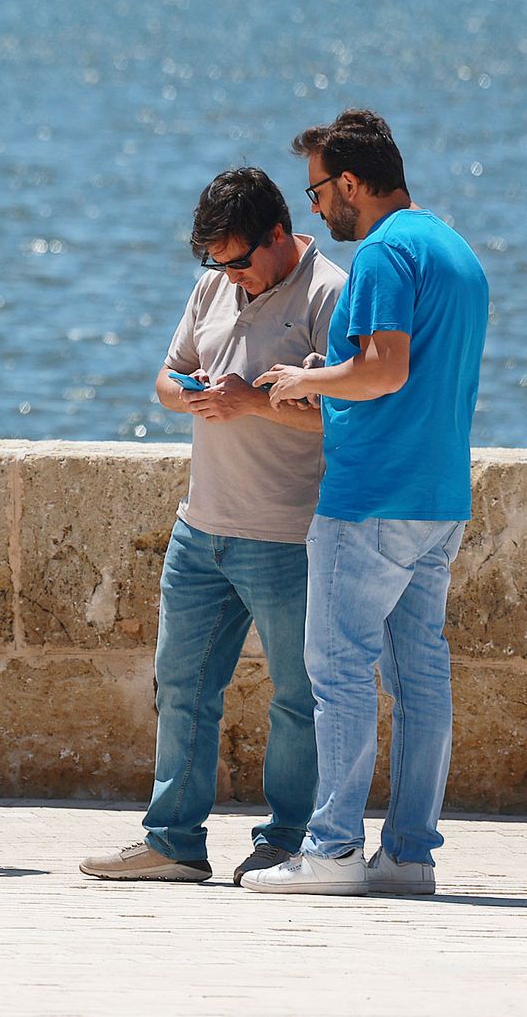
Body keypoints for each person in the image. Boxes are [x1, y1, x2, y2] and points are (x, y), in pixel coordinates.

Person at [242, 110, 490, 896]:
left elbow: (383, 370)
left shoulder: (383, 253)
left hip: (370, 497)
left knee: (338, 667)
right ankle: (409, 855)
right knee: (420, 677)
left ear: (350, 182)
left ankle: (334, 849)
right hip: (439, 495)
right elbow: (403, 373)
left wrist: (308, 379)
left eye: (318, 191)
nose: (316, 208)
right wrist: (335, 369)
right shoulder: (452, 248)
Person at [78, 168, 344, 886]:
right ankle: (173, 840)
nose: (228, 275)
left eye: (238, 260)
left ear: (279, 235)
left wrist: (248, 404)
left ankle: (288, 840)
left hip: (288, 535)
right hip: (202, 527)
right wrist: (191, 394)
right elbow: (168, 376)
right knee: (182, 684)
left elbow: (346, 411)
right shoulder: (214, 287)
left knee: (298, 695)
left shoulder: (330, 293)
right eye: (216, 262)